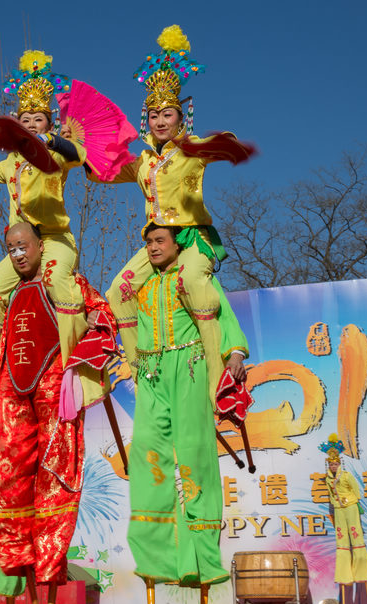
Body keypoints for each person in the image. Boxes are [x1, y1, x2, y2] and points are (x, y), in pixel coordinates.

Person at [0, 221, 116, 604]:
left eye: (22, 246)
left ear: (40, 247)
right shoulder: (7, 294)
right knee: (6, 473)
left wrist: (90, 334)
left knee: (54, 473)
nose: (16, 254)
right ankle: (17, 556)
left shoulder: (65, 285)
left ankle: (49, 561)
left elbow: (104, 316)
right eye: (9, 248)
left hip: (52, 384)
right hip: (12, 388)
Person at [97, 25, 253, 402]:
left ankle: (218, 382)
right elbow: (106, 173)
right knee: (118, 292)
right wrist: (84, 150)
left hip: (191, 237)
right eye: (154, 115)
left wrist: (225, 146)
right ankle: (140, 373)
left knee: (196, 285)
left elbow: (222, 144)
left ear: (182, 117)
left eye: (167, 114)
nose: (160, 121)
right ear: (145, 119)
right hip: (157, 242)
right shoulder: (144, 160)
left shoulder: (190, 149)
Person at [126, 222, 247, 588]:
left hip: (190, 366)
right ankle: (155, 553)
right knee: (147, 452)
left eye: (160, 240)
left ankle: (201, 558)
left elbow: (220, 314)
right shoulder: (142, 283)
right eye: (148, 242)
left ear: (178, 245)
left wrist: (234, 353)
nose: (153, 247)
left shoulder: (193, 278)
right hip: (151, 370)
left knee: (194, 452)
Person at [0, 51, 88, 371]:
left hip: (53, 240)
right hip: (20, 249)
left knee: (55, 284)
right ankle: (0, 377)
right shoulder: (10, 162)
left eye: (38, 120)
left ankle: (72, 367)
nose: (31, 126)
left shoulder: (57, 156)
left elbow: (79, 155)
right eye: (24, 122)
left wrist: (54, 142)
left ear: (49, 125)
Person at [321, 434, 367, 604]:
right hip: (338, 508)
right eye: (331, 464)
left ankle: (362, 569)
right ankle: (344, 572)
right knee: (342, 539)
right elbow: (330, 493)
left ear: (340, 464)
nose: (333, 466)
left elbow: (356, 490)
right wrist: (337, 502)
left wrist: (350, 501)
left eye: (335, 464)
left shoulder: (346, 476)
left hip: (350, 506)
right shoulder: (329, 478)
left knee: (355, 535)